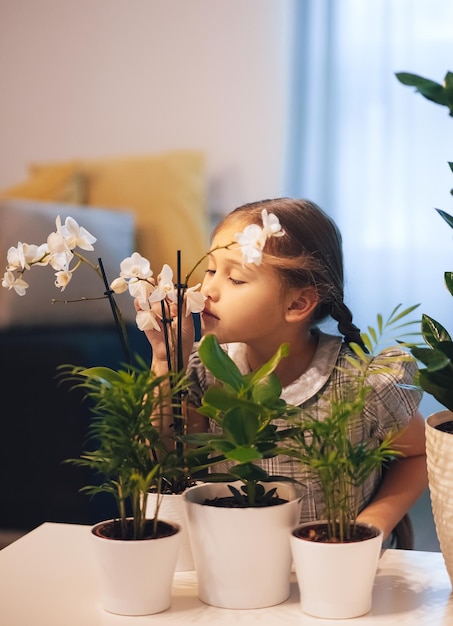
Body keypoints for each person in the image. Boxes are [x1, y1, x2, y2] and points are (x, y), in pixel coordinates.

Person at [137, 197, 427, 542]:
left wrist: (373, 523)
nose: (208, 289)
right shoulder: (204, 368)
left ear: (298, 303)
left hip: (333, 571)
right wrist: (166, 362)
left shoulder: (358, 382)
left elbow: (419, 454)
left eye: (236, 279)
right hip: (237, 566)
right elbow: (160, 457)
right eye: (211, 269)